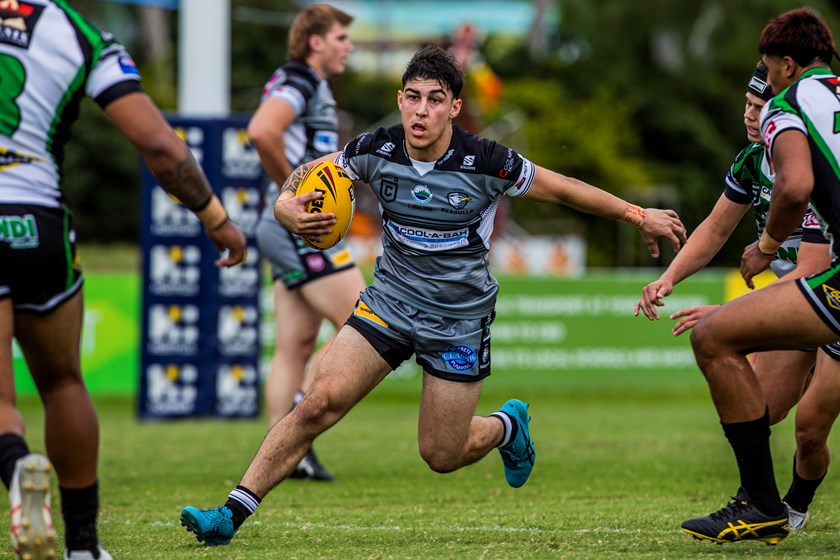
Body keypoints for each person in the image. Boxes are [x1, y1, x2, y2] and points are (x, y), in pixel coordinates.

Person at [179, 44, 687, 547]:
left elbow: (563, 188)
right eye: (414, 98)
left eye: (436, 99)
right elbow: (312, 170)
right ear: (400, 100)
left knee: (442, 454)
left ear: (455, 107)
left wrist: (638, 215)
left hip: (457, 320)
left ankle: (508, 427)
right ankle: (229, 514)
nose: (422, 111)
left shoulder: (487, 161)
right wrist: (286, 205)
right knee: (317, 404)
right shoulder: (374, 150)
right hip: (389, 306)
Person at [0, 1, 247, 559]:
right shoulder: (77, 33)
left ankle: (16, 473)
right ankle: (84, 546)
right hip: (37, 223)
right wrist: (216, 219)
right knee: (63, 382)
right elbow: (161, 148)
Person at [634, 62, 839, 532]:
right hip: (802, 296)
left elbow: (811, 273)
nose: (750, 115)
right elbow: (713, 229)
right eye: (746, 104)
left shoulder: (807, 167)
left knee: (809, 427)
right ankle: (761, 505)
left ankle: (794, 507)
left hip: (827, 296)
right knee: (758, 407)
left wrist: (731, 311)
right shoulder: (751, 160)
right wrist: (668, 279)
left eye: (760, 106)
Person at [248, 3, 365, 482]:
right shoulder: (300, 79)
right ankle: (301, 411)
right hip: (300, 227)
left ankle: (285, 456)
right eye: (341, 37)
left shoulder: (298, 79)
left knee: (294, 345)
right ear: (315, 41)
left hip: (281, 228)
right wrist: (293, 196)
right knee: (366, 320)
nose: (348, 45)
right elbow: (261, 130)